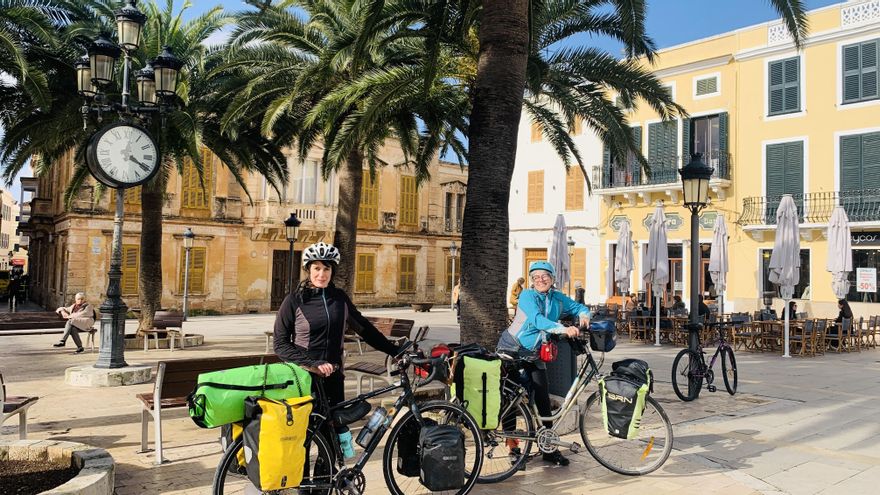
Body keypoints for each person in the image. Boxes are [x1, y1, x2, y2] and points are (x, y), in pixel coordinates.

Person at [273, 242, 400, 459]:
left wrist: (396, 350)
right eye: (317, 268)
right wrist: (312, 365)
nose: (321, 274)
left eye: (327, 269)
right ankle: (304, 490)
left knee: (332, 444)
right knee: (304, 441)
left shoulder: (339, 298)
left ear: (333, 271)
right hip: (305, 379)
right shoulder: (294, 300)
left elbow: (364, 329)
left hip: (333, 379)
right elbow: (281, 343)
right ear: (308, 270)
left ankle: (328, 486)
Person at [497, 260, 591, 466]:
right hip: (512, 349)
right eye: (535, 277)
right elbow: (537, 320)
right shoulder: (527, 296)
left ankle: (548, 447)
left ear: (552, 279)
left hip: (535, 353)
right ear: (531, 280)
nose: (540, 280)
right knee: (511, 399)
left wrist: (584, 315)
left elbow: (578, 307)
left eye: (544, 276)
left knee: (542, 397)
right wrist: (562, 328)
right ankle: (513, 448)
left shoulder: (557, 298)